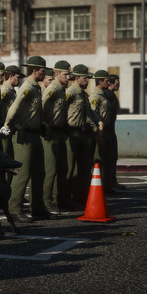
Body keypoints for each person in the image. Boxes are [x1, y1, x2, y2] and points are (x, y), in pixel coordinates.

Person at [0, 56, 53, 222]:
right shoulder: (28, 87)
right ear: (34, 70)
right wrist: (8, 125)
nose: (44, 74)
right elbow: (15, 106)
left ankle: (37, 208)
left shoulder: (36, 87)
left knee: (39, 172)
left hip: (35, 134)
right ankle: (14, 209)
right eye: (42, 71)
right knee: (22, 173)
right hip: (25, 136)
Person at [65, 64, 104, 205]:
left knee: (84, 167)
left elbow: (89, 112)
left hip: (83, 133)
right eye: (85, 78)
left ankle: (81, 197)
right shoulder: (71, 92)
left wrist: (99, 122)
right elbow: (63, 111)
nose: (88, 81)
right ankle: (65, 199)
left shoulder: (81, 93)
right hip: (72, 133)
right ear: (76, 78)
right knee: (70, 168)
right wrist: (96, 130)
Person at [40, 60, 71, 214]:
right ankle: (46, 202)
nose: (68, 77)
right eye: (66, 74)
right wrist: (45, 126)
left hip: (60, 132)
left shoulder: (61, 89)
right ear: (57, 74)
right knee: (50, 170)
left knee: (62, 168)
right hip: (50, 133)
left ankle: (60, 199)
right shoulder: (52, 89)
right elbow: (41, 108)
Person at [90, 70, 116, 194]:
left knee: (108, 159)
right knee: (100, 160)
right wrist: (97, 134)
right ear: (100, 81)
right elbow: (93, 114)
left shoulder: (103, 94)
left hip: (107, 129)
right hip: (101, 130)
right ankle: (99, 188)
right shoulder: (95, 95)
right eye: (106, 81)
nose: (108, 82)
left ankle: (107, 187)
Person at [0, 65, 25, 170]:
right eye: (17, 77)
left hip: (11, 129)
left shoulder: (12, 91)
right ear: (10, 76)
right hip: (4, 130)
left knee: (10, 160)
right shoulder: (5, 91)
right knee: (4, 159)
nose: (19, 80)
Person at [106, 74, 126, 190]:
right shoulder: (108, 95)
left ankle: (112, 181)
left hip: (111, 128)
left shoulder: (111, 95)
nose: (119, 86)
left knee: (113, 156)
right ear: (111, 83)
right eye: (117, 84)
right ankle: (110, 182)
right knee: (110, 156)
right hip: (108, 129)